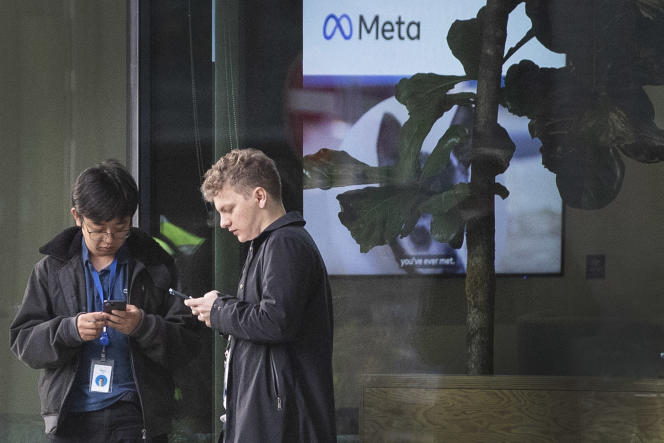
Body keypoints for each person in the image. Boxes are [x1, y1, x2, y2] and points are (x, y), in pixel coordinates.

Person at [10, 159, 200, 442]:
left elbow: (187, 344)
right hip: (70, 416)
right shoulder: (51, 269)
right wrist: (70, 330)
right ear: (77, 217)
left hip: (137, 415)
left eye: (121, 227)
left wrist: (143, 327)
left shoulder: (157, 264)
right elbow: (23, 342)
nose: (109, 239)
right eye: (97, 228)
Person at [185, 148, 336, 442]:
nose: (223, 223)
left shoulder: (285, 243)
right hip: (272, 422)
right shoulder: (271, 244)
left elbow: (275, 322)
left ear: (259, 197)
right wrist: (222, 307)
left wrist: (220, 311)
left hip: (284, 426)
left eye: (227, 209)